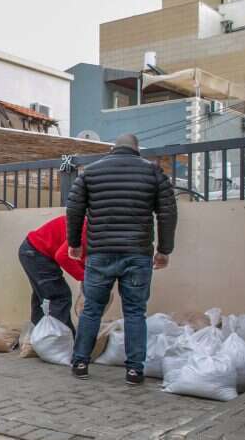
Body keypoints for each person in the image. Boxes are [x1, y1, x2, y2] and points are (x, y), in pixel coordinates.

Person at [66, 133, 177, 385]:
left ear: (113, 148)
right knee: (135, 311)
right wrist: (164, 249)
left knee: (92, 309)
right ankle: (135, 370)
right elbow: (168, 212)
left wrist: (74, 244)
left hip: (99, 252)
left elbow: (74, 209)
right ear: (136, 149)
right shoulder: (153, 172)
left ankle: (81, 362)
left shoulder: (90, 173)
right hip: (137, 253)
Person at [18, 215, 87, 334]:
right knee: (59, 296)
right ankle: (65, 342)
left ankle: (37, 340)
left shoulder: (95, 233)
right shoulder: (86, 230)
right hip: (35, 252)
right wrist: (83, 277)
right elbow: (62, 256)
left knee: (42, 297)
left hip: (33, 251)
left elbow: (81, 258)